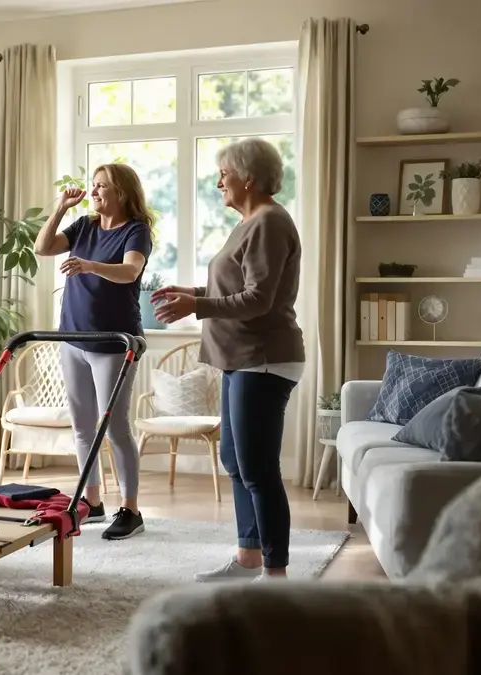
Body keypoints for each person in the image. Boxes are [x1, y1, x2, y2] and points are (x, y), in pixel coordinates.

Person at [152, 137, 304, 581]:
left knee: (258, 468)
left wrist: (198, 307)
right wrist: (193, 294)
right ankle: (248, 558)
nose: (219, 181)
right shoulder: (250, 222)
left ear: (249, 177)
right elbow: (235, 287)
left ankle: (276, 575)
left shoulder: (270, 223)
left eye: (225, 173)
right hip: (241, 359)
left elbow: (258, 298)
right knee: (237, 463)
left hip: (264, 357)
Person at [34, 163, 155, 541]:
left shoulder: (136, 230)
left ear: (122, 192)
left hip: (114, 343)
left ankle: (130, 509)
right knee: (82, 426)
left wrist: (89, 265)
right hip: (72, 339)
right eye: (94, 185)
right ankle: (93, 500)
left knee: (115, 426)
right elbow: (42, 248)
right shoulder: (84, 225)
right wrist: (59, 209)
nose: (95, 191)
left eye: (103, 186)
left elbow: (130, 271)